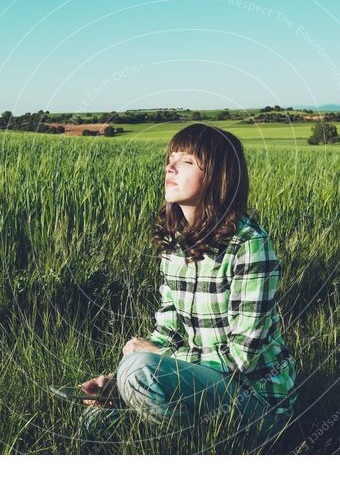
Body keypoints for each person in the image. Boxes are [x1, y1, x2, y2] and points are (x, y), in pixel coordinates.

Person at [78, 123, 296, 450]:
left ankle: (192, 449)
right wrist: (118, 381)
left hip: (256, 402)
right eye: (170, 158)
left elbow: (241, 359)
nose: (170, 167)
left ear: (217, 176)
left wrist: (153, 360)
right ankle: (175, 431)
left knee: (138, 368)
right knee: (96, 418)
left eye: (187, 161)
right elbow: (168, 331)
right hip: (203, 384)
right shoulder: (175, 246)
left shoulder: (249, 246)